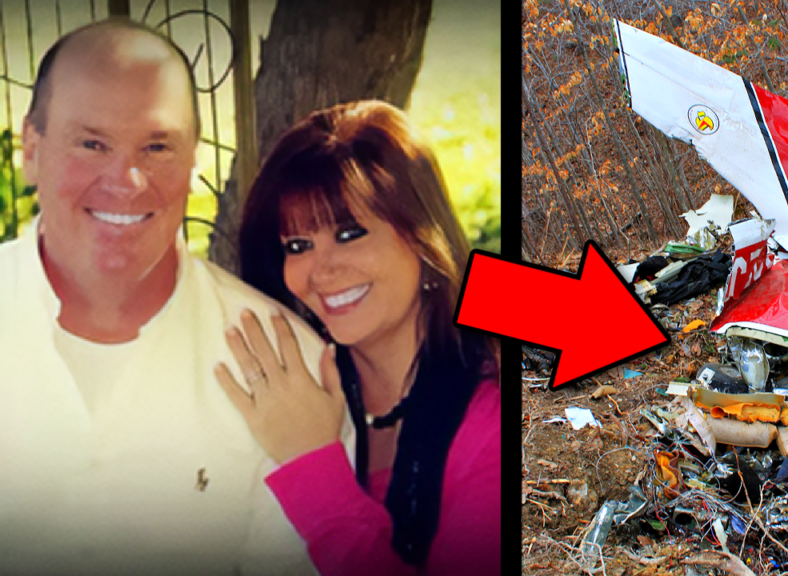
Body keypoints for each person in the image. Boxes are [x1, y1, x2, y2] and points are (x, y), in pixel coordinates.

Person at [0, 18, 347, 575]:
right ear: (32, 149)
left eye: (157, 145)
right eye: (92, 143)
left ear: (193, 162)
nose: (127, 179)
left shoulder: (287, 369)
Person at [217, 100, 500, 576]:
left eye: (350, 233)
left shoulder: (488, 422)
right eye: (298, 245)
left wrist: (311, 462)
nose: (322, 270)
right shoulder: (291, 379)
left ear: (421, 238)